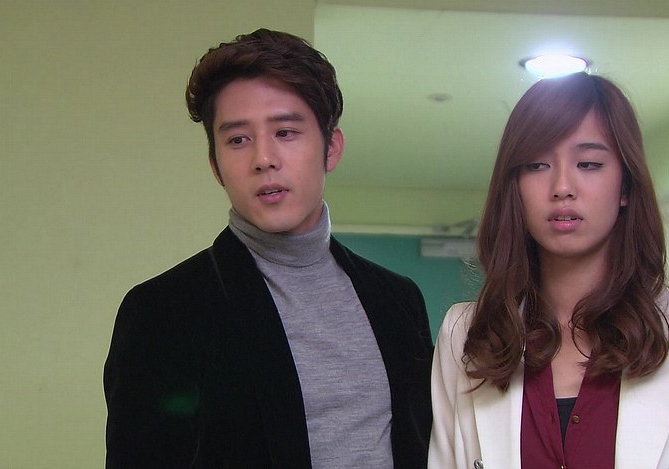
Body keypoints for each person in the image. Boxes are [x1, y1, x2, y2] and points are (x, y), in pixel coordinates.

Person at [104, 29, 433, 468]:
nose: (263, 159)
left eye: (285, 131)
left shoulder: (398, 300)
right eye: (238, 140)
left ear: (331, 148)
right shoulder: (163, 311)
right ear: (216, 166)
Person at [428, 72, 669, 468]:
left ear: (626, 186)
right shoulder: (465, 336)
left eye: (589, 164)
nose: (562, 187)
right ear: (514, 187)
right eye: (537, 165)